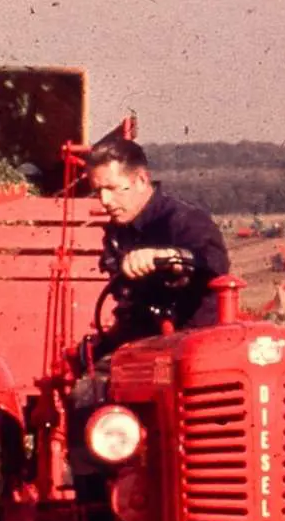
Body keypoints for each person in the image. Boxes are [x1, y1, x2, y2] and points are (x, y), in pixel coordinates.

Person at [87, 138, 230, 358]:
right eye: (98, 191)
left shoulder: (184, 220)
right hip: (143, 346)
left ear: (142, 180)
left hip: (193, 348)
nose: (104, 200)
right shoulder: (117, 234)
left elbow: (213, 262)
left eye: (112, 188)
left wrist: (169, 257)